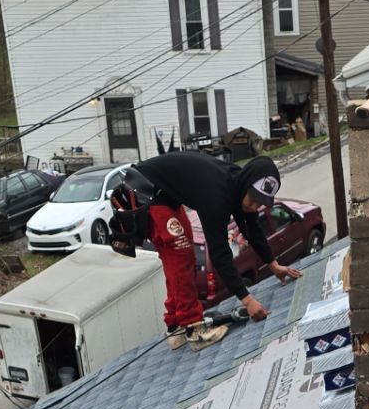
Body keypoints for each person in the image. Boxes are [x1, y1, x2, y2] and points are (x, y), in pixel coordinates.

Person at [115, 150, 299, 350]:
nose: (254, 206)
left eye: (261, 203)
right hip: (145, 191)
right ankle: (194, 329)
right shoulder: (217, 195)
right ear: (246, 186)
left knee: (178, 255)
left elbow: (252, 230)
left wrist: (273, 264)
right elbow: (220, 252)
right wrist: (247, 300)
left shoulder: (239, 186)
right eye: (253, 199)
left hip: (164, 195)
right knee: (180, 253)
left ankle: (175, 325)